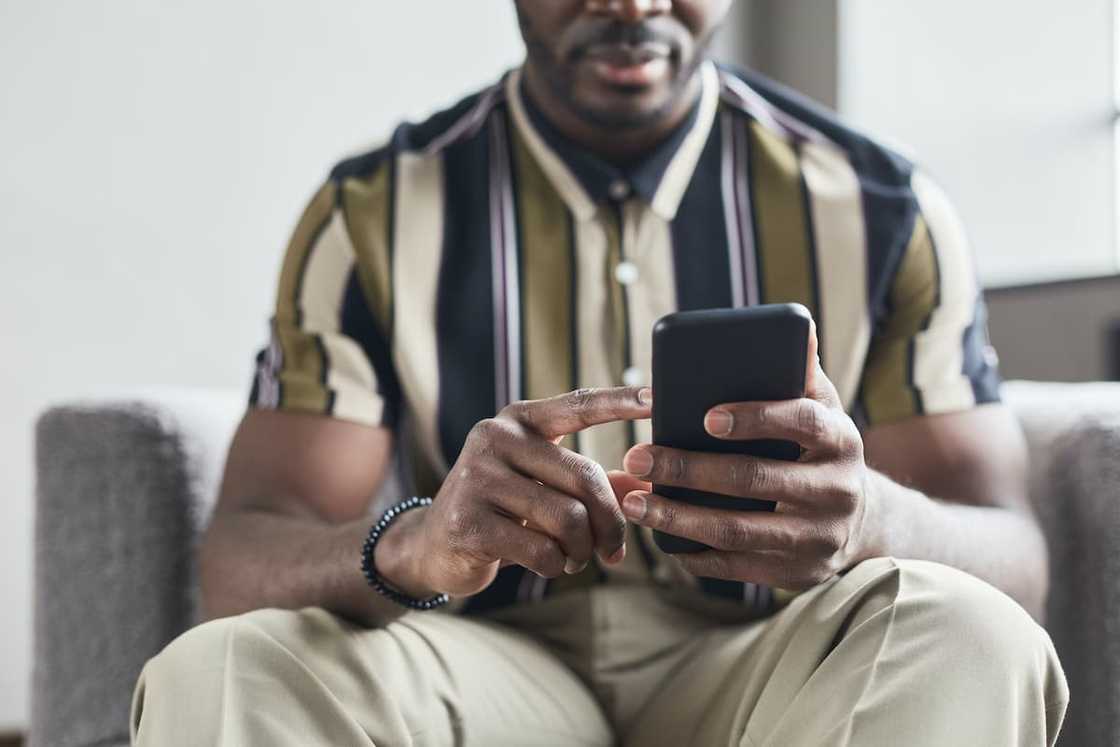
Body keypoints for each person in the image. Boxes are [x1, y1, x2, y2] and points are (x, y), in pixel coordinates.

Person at [130, 1, 1068, 745]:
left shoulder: (884, 208)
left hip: (774, 665)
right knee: (220, 668)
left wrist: (871, 515)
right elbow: (241, 556)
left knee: (976, 637)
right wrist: (415, 542)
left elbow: (1014, 561)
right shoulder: (372, 214)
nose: (631, 3)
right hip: (480, 659)